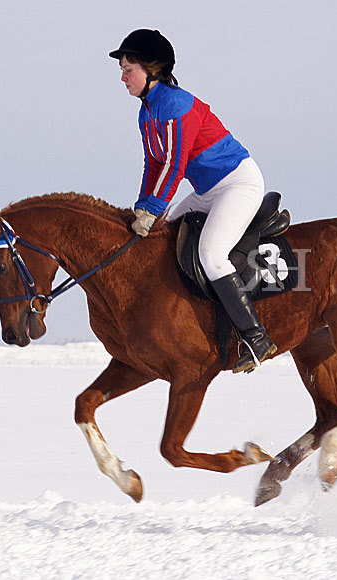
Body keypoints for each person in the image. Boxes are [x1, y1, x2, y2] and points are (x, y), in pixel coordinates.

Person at [109, 28, 276, 373]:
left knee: (211, 255)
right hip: (206, 192)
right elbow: (153, 162)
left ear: (152, 69)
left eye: (128, 69)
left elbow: (175, 165)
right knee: (166, 234)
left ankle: (256, 336)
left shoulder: (176, 105)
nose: (123, 78)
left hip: (237, 184)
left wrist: (154, 208)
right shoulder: (147, 112)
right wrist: (143, 206)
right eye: (122, 70)